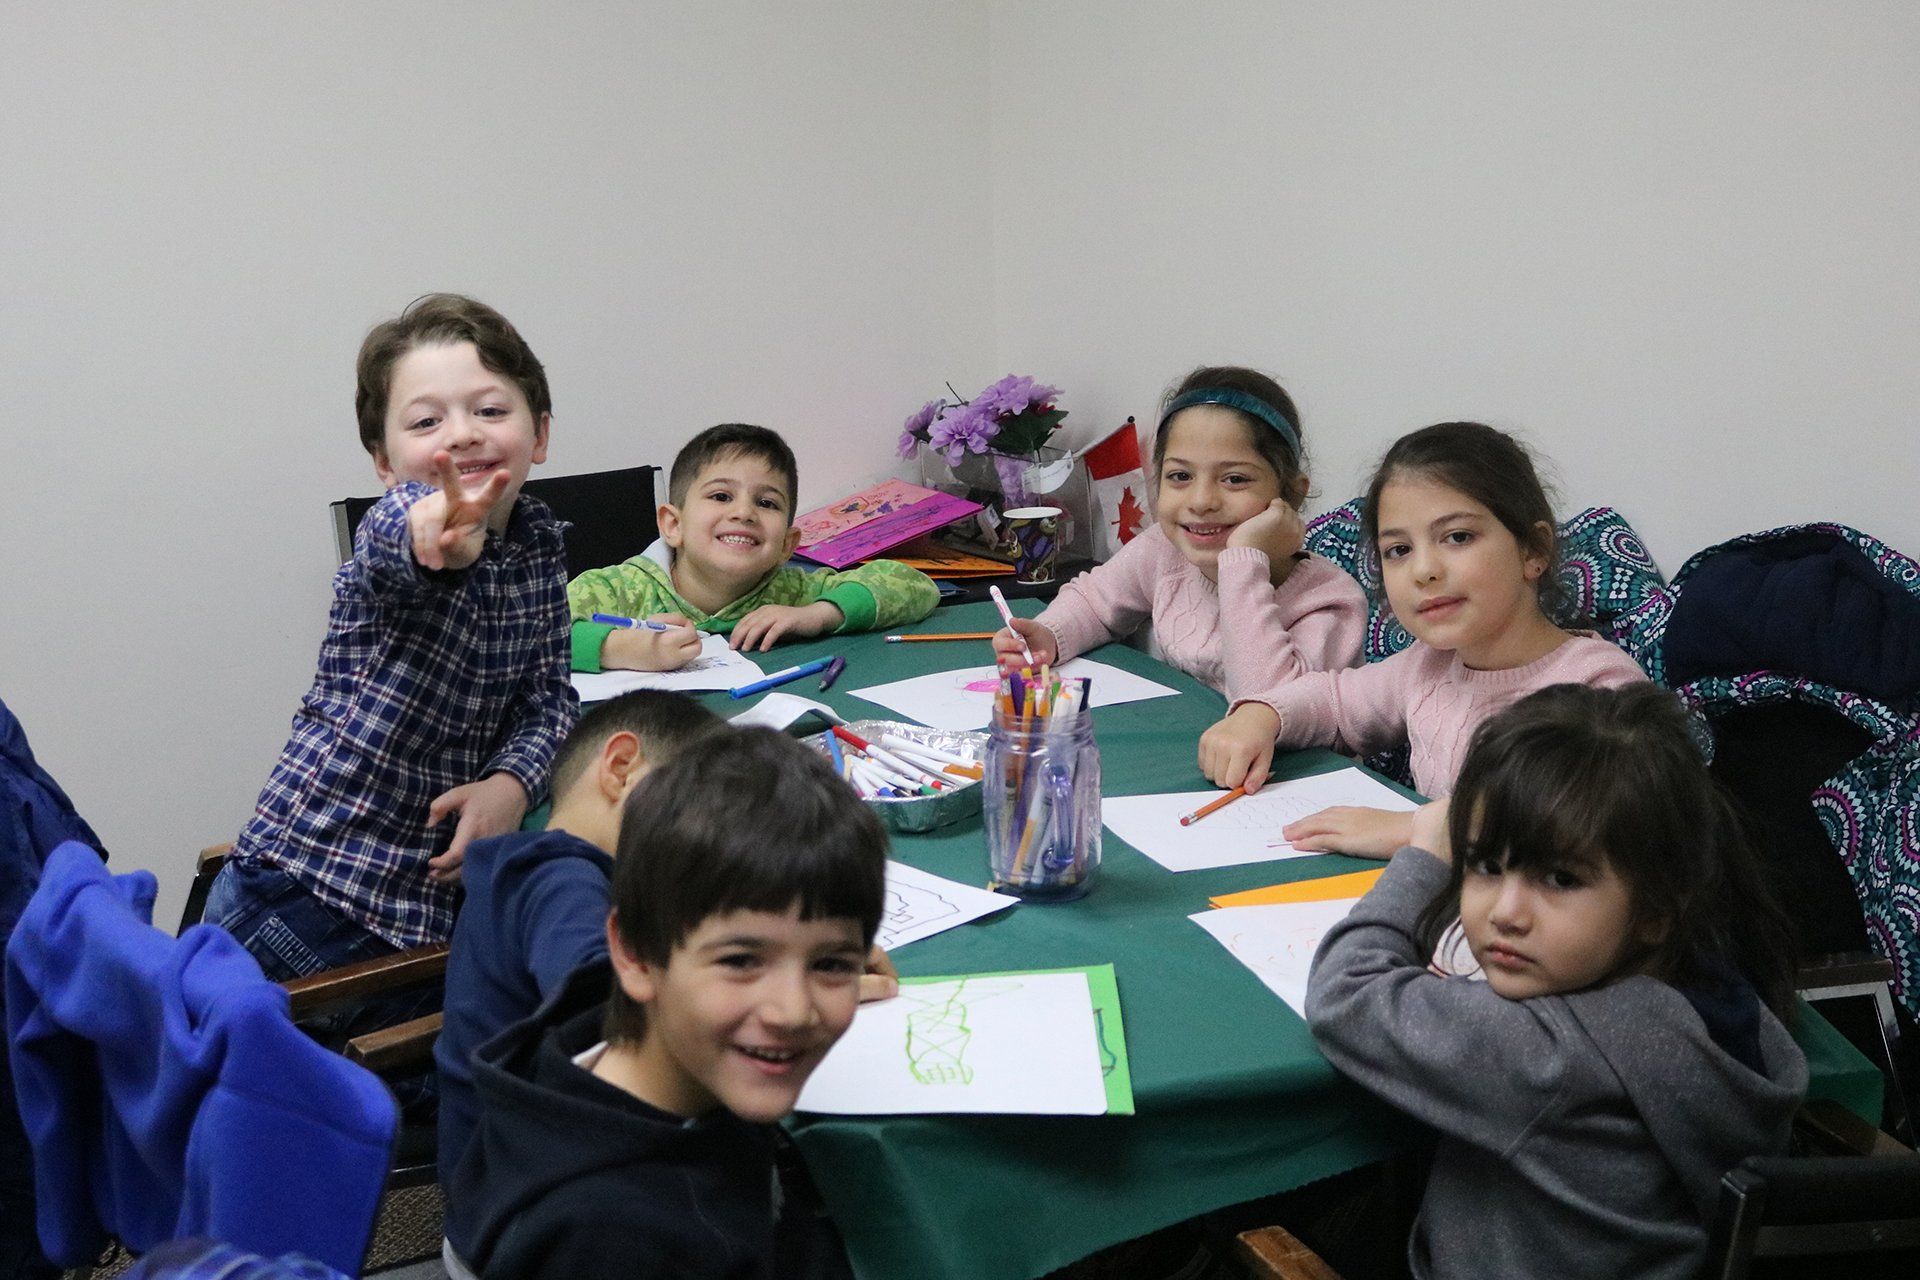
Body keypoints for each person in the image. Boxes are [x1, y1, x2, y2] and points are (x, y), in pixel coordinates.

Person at [1306, 683, 1806, 1280]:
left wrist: (1426, 857)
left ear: (1657, 910)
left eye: (1561, 880)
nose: (1506, 913)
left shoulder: (1552, 1053)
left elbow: (1344, 994)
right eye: (1486, 866)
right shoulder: (1719, 993)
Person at [209, 294, 577, 984]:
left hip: (423, 910)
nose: (462, 434)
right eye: (427, 421)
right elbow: (396, 541)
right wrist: (438, 538)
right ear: (384, 461)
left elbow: (550, 699)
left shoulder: (539, 547)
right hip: (306, 897)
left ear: (541, 434)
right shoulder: (397, 524)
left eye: (489, 410)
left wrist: (510, 783)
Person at [444, 727, 887, 1280]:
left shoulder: (687, 1066)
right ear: (633, 955)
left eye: (831, 965)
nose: (792, 1011)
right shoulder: (606, 1243)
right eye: (741, 961)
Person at [1201, 421, 1646, 855]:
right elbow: (1334, 702)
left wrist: (1410, 830)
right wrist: (1263, 716)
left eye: (1457, 537)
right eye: (1399, 550)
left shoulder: (1598, 685)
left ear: (1534, 551)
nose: (1424, 570)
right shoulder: (1427, 664)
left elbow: (1573, 818)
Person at [992, 366, 1366, 707]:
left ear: (1292, 495)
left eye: (1235, 479)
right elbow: (1094, 603)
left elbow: (1266, 708)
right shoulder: (1163, 550)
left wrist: (1243, 561)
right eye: (1180, 476)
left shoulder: (1329, 603)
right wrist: (1049, 635)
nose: (1201, 501)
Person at [566, 423, 939, 672]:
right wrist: (619, 647)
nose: (743, 512)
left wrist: (819, 614)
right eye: (721, 496)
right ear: (673, 525)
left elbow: (915, 586)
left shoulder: (792, 592)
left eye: (766, 503)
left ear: (787, 545)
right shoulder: (619, 589)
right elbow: (534, 636)